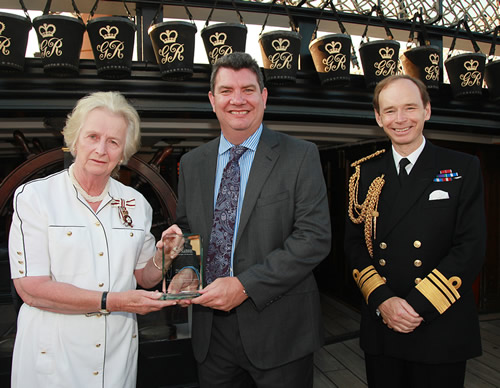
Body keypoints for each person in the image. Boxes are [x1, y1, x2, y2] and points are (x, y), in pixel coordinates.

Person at [165, 52, 331, 387]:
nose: (237, 100)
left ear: (264, 97)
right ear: (212, 100)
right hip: (211, 335)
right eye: (226, 91)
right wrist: (184, 267)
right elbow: (188, 228)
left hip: (280, 332)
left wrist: (243, 286)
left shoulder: (301, 156)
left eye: (248, 90)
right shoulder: (193, 163)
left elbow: (313, 238)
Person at [8, 91, 179, 388]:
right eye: (92, 137)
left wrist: (165, 254)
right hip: (54, 360)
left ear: (123, 151)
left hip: (115, 357)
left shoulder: (136, 204)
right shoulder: (36, 198)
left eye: (113, 142)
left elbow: (145, 276)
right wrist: (112, 301)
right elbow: (31, 289)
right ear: (74, 140)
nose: (101, 149)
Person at [344, 74, 486, 388]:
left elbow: (470, 246)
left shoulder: (461, 168)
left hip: (439, 322)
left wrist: (415, 306)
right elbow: (354, 245)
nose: (400, 119)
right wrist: (384, 301)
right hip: (383, 324)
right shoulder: (364, 172)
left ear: (427, 110)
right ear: (378, 118)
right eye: (390, 110)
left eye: (410, 108)